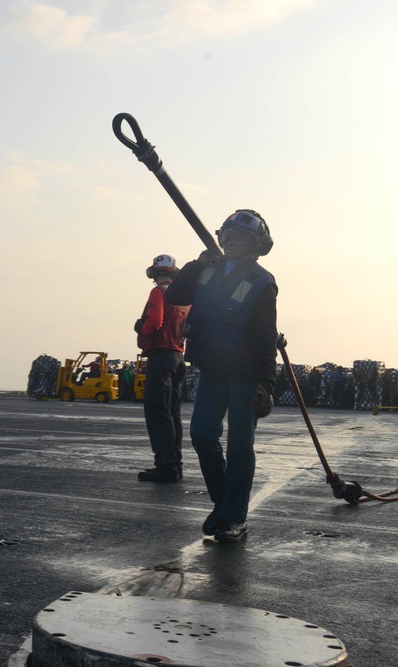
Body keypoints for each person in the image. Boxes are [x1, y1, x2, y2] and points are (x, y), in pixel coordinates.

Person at [166, 210, 278, 543]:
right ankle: (223, 504)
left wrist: (266, 384)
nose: (230, 242)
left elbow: (265, 338)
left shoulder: (262, 283)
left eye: (239, 237)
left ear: (258, 245)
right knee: (202, 434)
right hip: (213, 369)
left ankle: (234, 518)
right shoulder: (207, 271)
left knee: (240, 446)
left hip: (245, 374)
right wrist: (197, 264)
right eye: (226, 235)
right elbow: (176, 296)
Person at [134, 254, 190, 483]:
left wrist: (141, 328)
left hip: (161, 356)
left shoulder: (159, 292)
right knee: (173, 412)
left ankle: (166, 466)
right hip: (178, 357)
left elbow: (154, 322)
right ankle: (175, 464)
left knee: (157, 411)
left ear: (155, 273)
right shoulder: (186, 298)